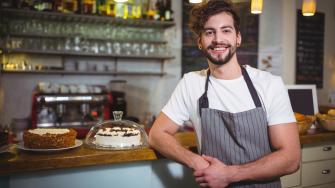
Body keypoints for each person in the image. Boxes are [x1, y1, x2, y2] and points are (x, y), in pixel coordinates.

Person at [148, 0, 301, 187]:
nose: (218, 39)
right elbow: (156, 135)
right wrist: (197, 163)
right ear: (199, 42)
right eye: (209, 32)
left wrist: (229, 174)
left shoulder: (269, 84)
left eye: (226, 30)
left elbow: (291, 158)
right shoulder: (191, 83)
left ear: (238, 38)